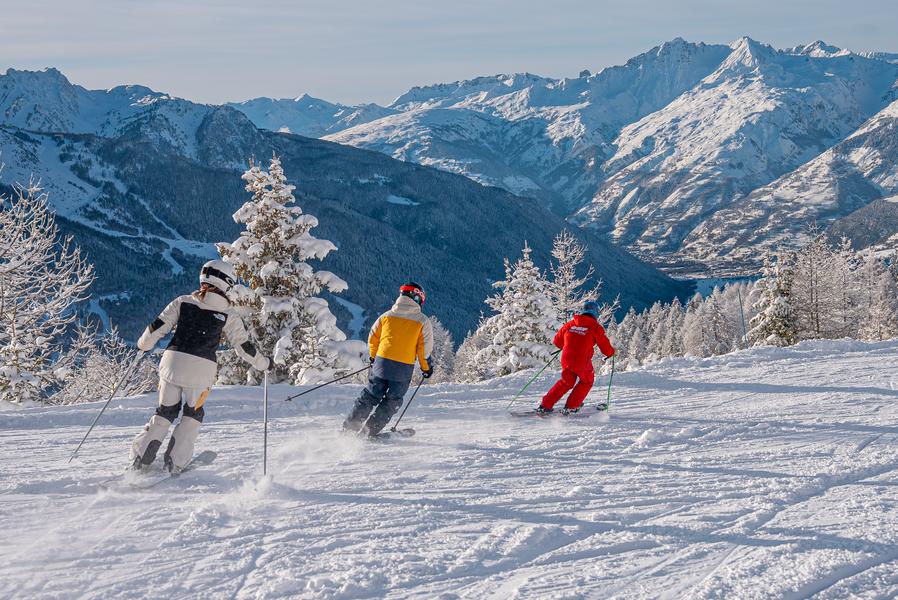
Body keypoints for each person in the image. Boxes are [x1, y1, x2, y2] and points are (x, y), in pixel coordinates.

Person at [130, 260, 270, 472]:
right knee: (192, 414)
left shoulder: (183, 302)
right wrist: (264, 364)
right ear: (227, 283)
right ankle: (175, 462)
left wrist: (143, 345)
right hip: (201, 370)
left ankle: (141, 458)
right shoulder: (229, 314)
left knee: (164, 412)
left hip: (172, 363)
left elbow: (156, 328)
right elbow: (244, 347)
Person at [343, 282, 434, 437]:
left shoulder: (386, 316)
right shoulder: (422, 321)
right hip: (402, 368)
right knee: (392, 401)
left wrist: (373, 357)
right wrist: (426, 368)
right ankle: (369, 432)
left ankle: (349, 428)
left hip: (381, 363)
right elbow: (424, 350)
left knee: (370, 395)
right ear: (418, 298)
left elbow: (373, 338)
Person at [538, 300, 615, 414]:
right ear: (596, 313)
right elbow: (605, 346)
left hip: (566, 359)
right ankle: (571, 406)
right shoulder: (595, 327)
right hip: (582, 361)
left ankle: (545, 406)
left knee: (566, 382)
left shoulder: (570, 324)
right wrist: (611, 353)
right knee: (586, 381)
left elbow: (557, 342)